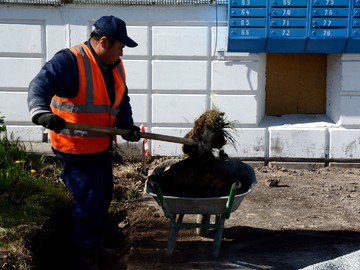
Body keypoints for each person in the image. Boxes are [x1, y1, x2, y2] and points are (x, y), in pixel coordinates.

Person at [27, 15, 141, 270]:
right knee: (88, 203)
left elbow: (122, 100)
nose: (122, 53)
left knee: (103, 198)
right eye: (120, 47)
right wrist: (41, 113)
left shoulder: (115, 65)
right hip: (75, 149)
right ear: (104, 42)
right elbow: (40, 84)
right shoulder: (70, 61)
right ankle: (84, 259)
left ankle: (96, 246)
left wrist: (127, 125)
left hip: (100, 146)